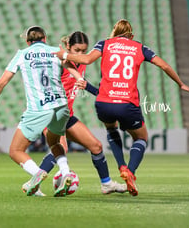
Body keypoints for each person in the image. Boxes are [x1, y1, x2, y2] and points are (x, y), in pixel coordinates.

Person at [54, 19, 189, 196]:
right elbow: (164, 65)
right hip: (127, 102)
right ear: (132, 35)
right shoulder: (139, 47)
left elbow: (86, 59)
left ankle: (120, 166)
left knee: (111, 129)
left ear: (113, 32)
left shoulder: (105, 43)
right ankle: (129, 170)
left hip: (104, 102)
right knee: (142, 138)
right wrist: (180, 83)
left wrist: (64, 55)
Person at [0, 26, 84, 197]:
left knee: (16, 151)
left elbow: (2, 82)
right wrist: (80, 79)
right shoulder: (55, 51)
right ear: (45, 38)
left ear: (28, 41)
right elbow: (71, 66)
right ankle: (65, 172)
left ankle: (37, 174)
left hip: (38, 108)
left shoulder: (22, 54)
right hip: (61, 106)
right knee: (55, 142)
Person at [24, 31, 127, 196]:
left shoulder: (82, 63)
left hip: (67, 116)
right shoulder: (59, 62)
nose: (80, 54)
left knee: (96, 146)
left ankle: (106, 184)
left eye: (83, 51)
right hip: (50, 114)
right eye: (77, 50)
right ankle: (34, 182)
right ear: (68, 47)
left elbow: (86, 85)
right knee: (62, 147)